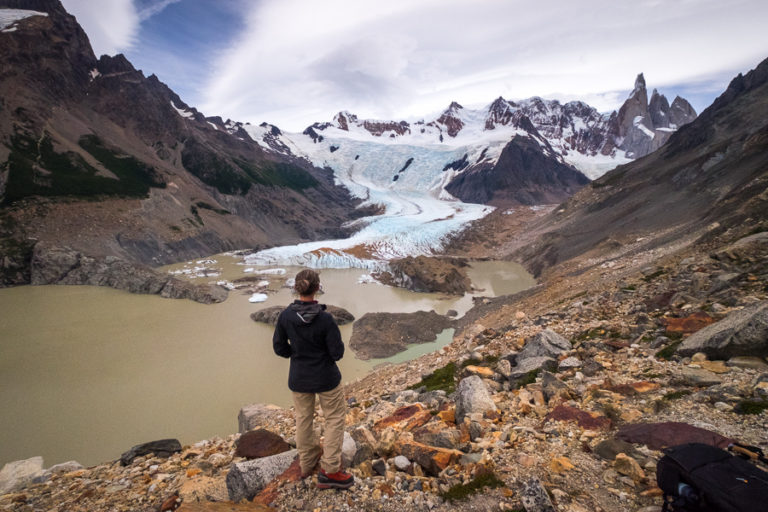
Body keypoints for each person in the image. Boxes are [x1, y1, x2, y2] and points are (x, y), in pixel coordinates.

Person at [272, 269, 354, 490]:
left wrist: (298, 356)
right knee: (334, 419)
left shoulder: (286, 316)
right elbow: (337, 353)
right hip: (327, 377)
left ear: (297, 288)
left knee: (303, 419)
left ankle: (307, 463)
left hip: (299, 377)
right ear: (317, 288)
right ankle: (329, 469)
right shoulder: (326, 319)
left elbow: (279, 347)